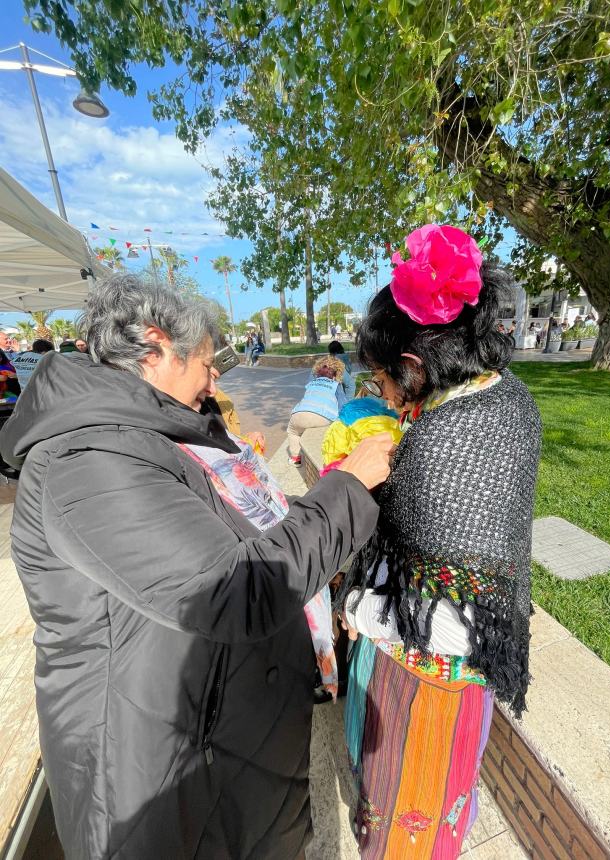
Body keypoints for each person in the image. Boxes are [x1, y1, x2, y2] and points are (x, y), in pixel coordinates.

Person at [0, 274, 393, 860]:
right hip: (157, 768)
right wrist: (347, 488)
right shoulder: (88, 460)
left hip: (219, 740)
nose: (214, 382)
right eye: (206, 365)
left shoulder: (149, 432)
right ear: (155, 346)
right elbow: (236, 590)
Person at [336, 224, 542, 859]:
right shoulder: (512, 400)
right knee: (446, 802)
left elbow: (396, 560)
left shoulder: (429, 445)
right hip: (476, 656)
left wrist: (349, 601)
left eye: (382, 380)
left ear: (416, 367)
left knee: (405, 812)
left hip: (424, 666)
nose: (383, 395)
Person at [287, 356, 347, 465]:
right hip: (323, 416)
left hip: (299, 414)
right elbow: (343, 404)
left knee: (293, 432)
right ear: (336, 375)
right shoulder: (336, 385)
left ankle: (296, 458)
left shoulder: (311, 383)